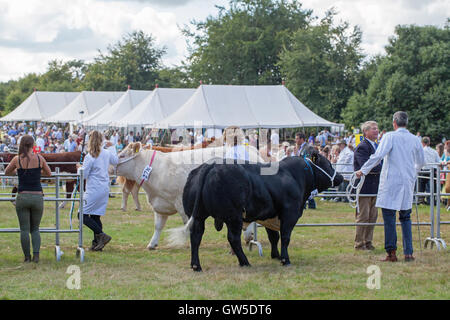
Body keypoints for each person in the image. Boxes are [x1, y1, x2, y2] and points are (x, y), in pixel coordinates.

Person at [356, 111, 425, 262]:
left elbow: (378, 156)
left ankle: (391, 253)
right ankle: (408, 253)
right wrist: (413, 173)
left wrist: (363, 170)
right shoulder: (414, 139)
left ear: (394, 123)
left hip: (391, 182)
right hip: (407, 182)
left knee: (389, 218)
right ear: (406, 123)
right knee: (406, 218)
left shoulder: (389, 137)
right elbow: (421, 161)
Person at [5, 135, 52, 263]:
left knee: (24, 229)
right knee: (35, 228)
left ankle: (27, 257)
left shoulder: (17, 159)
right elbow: (49, 173)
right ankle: (36, 255)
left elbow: (6, 172)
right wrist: (37, 173)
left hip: (22, 195)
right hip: (37, 196)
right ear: (33, 145)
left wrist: (18, 172)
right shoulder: (39, 158)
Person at [77, 131, 119, 251]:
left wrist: (79, 169)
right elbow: (116, 161)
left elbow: (84, 175)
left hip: (94, 189)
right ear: (102, 140)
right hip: (104, 188)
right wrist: (112, 147)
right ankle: (96, 244)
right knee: (95, 216)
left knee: (82, 215)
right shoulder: (106, 153)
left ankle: (102, 235)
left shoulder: (89, 156)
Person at [353, 121, 382, 250]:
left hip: (375, 187)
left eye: (377, 129)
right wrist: (382, 167)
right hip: (364, 186)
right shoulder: (362, 147)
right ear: (366, 132)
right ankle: (359, 243)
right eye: (373, 129)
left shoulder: (377, 146)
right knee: (363, 216)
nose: (377, 131)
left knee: (373, 216)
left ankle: (368, 241)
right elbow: (365, 166)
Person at [419, 137, 441, 205]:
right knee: (431, 186)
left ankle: (421, 200)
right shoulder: (434, 151)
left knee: (421, 185)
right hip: (433, 170)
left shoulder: (421, 151)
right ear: (429, 143)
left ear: (422, 143)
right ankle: (431, 201)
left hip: (423, 169)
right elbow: (438, 161)